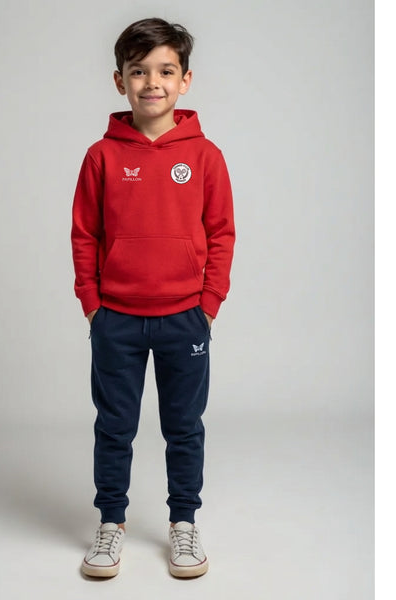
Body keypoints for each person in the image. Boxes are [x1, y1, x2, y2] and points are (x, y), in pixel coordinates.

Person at [71, 17, 235, 578]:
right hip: (116, 318)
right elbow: (84, 234)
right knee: (114, 426)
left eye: (166, 71)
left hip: (184, 318)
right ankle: (110, 524)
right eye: (138, 71)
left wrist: (208, 303)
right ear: (120, 81)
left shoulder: (205, 156)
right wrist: (92, 303)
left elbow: (221, 233)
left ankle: (183, 523)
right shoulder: (101, 156)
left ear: (185, 80)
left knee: (184, 427)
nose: (152, 83)